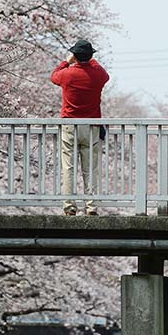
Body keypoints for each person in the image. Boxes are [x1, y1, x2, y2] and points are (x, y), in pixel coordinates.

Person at [51, 40, 110, 216]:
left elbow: (54, 75)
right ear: (91, 56)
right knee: (91, 168)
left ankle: (69, 206)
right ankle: (91, 207)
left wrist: (67, 61)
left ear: (75, 55)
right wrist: (91, 60)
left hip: (69, 125)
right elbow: (105, 74)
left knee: (68, 167)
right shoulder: (98, 74)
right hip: (91, 126)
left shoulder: (67, 74)